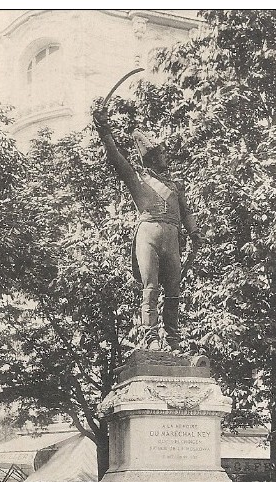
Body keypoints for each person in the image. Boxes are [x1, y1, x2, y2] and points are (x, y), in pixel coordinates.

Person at [93, 107, 204, 352]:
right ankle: (151, 337)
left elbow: (185, 212)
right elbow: (116, 158)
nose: (165, 157)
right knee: (151, 288)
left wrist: (194, 232)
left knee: (174, 290)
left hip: (172, 238)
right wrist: (104, 131)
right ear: (153, 158)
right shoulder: (139, 180)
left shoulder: (175, 185)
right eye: (161, 154)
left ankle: (173, 340)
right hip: (148, 234)